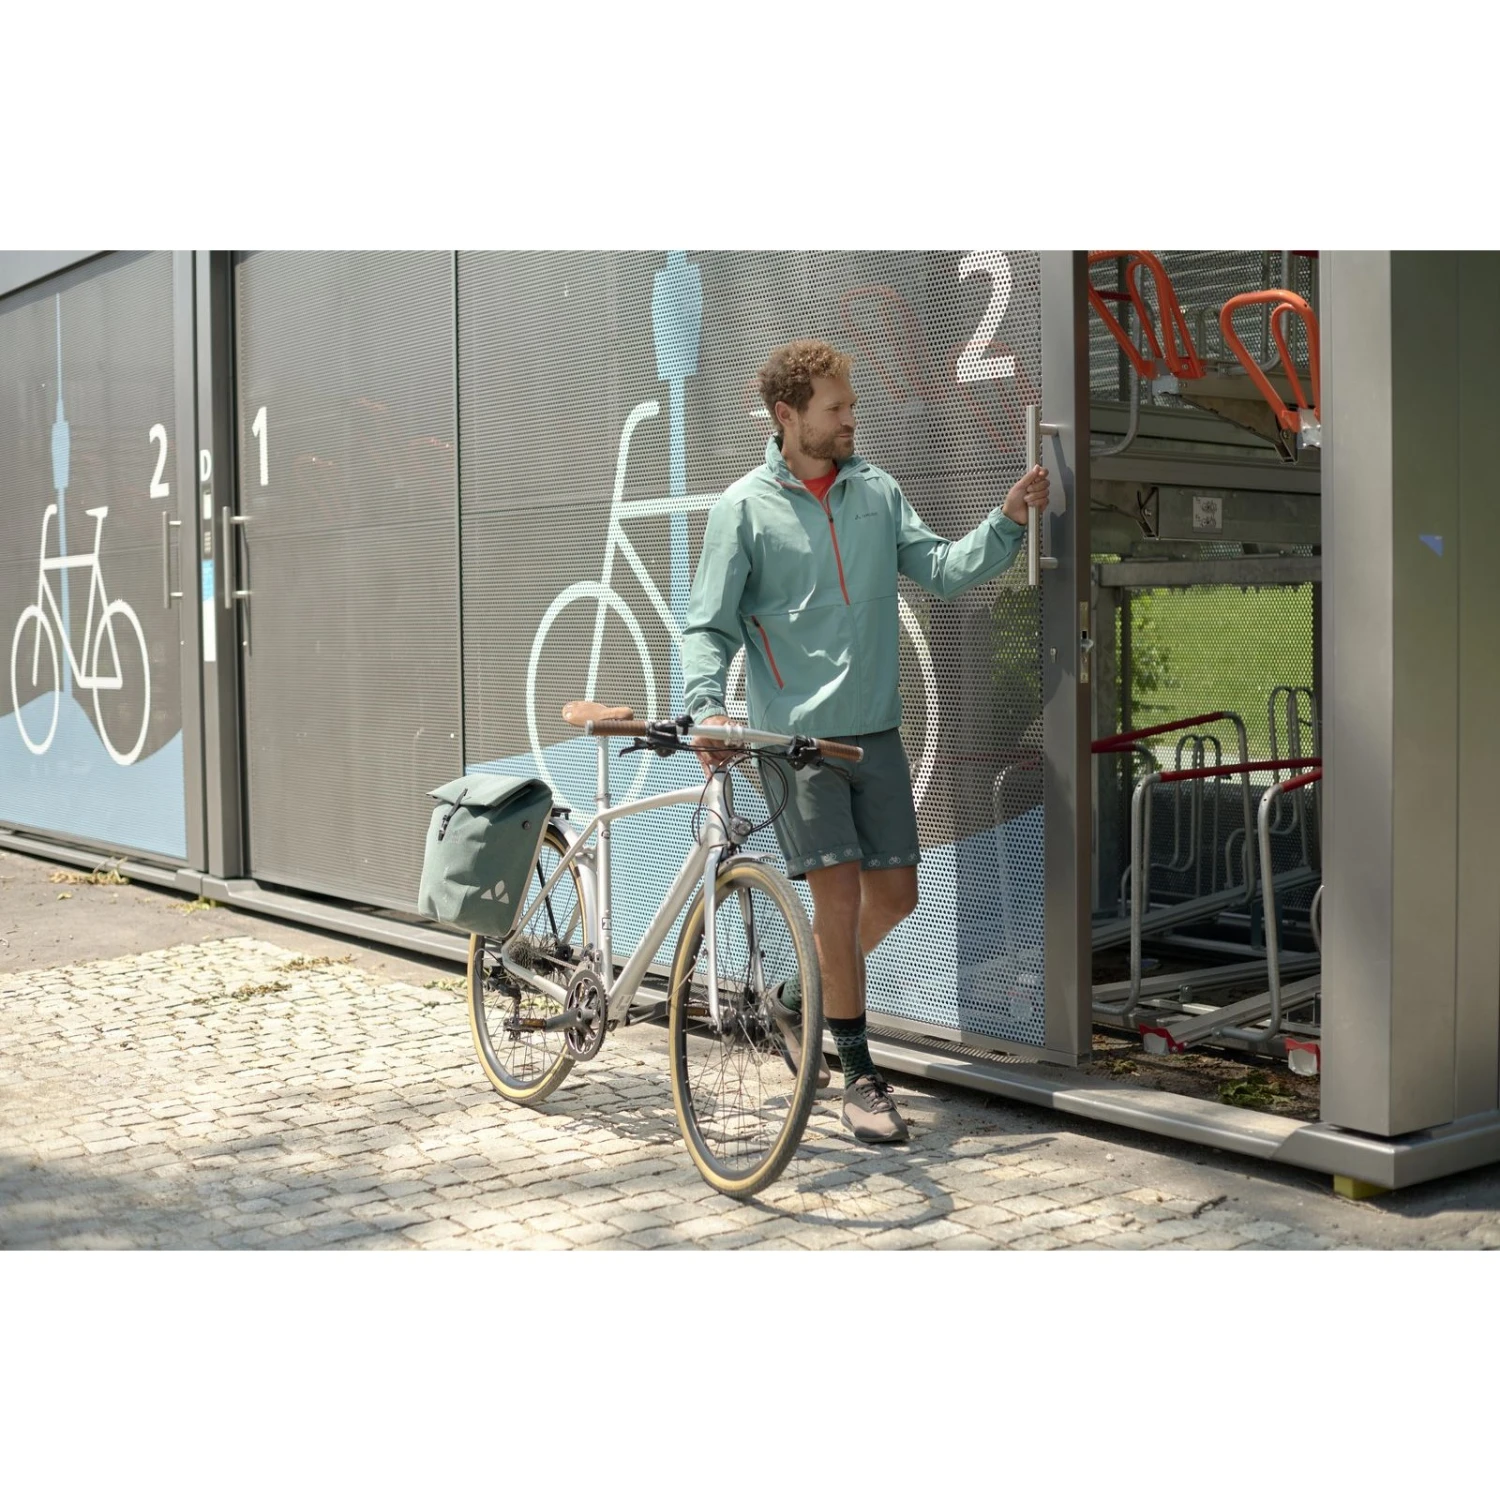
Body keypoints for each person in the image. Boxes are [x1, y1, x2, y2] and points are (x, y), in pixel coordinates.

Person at [682, 339, 1050, 1144]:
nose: (852, 418)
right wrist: (706, 706)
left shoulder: (876, 492)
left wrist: (1007, 522)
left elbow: (942, 568)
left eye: (852, 405)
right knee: (840, 901)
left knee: (896, 897)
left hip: (876, 734)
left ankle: (793, 998)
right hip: (796, 742)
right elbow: (708, 626)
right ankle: (858, 1078)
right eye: (837, 408)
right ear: (788, 416)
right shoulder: (742, 509)